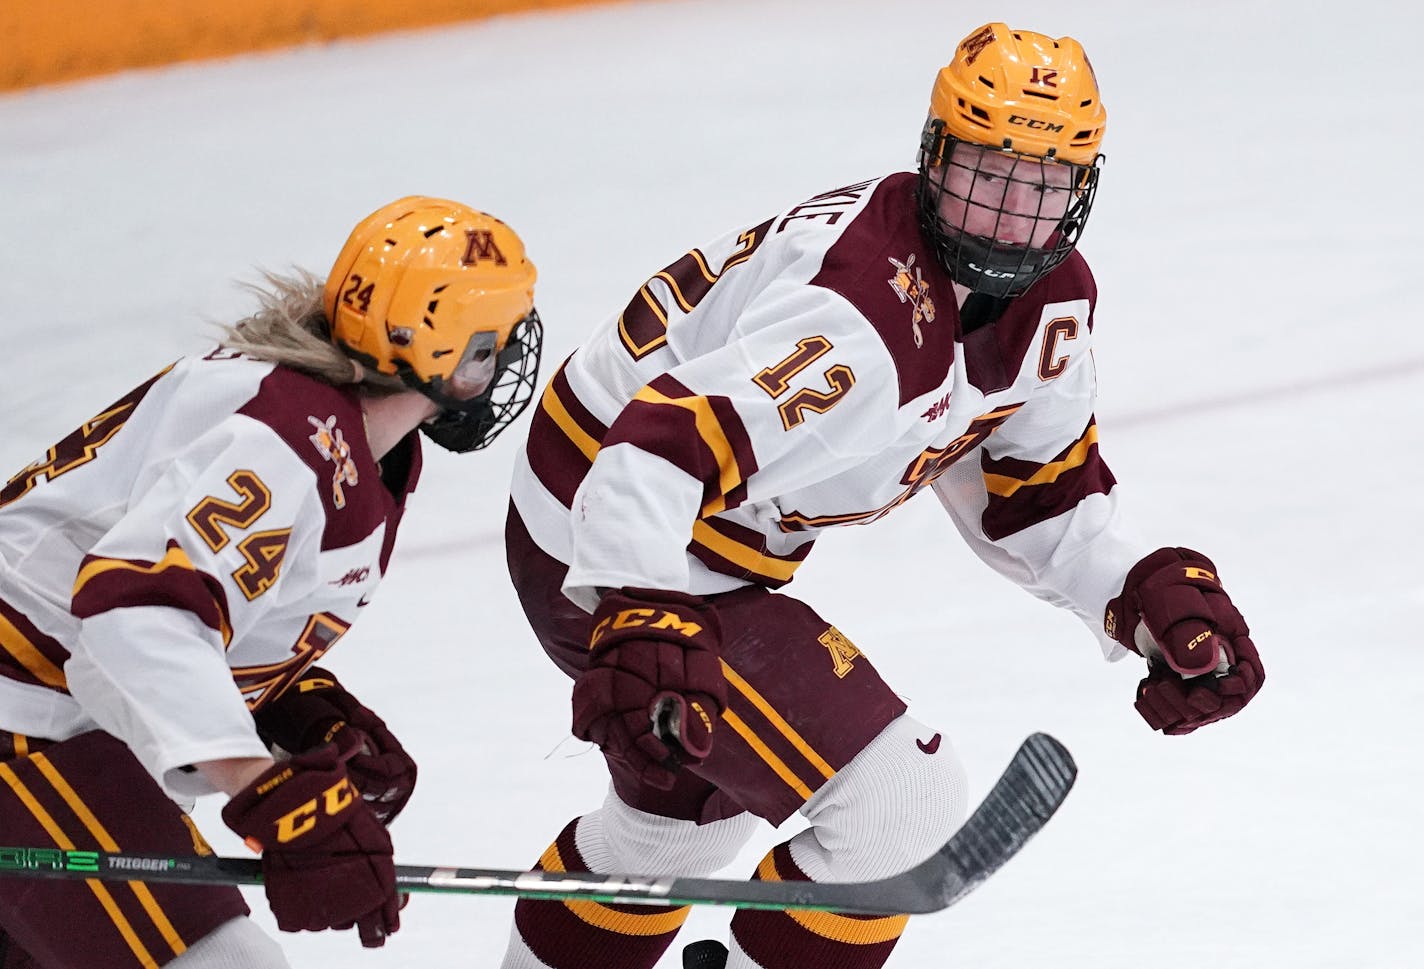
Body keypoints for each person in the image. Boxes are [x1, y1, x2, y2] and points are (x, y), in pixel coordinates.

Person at [500, 22, 1264, 969]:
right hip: (608, 522)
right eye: (986, 173)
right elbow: (652, 448)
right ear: (936, 156)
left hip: (678, 528)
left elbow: (1037, 498)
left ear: (1082, 191)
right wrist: (643, 610)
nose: (1008, 213)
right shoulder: (861, 313)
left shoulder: (1052, 304)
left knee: (677, 834)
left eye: (1044, 185)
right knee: (897, 804)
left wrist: (1140, 598)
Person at [0, 196, 542, 968]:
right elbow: (135, 611)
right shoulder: (287, 441)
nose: (503, 367)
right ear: (458, 360)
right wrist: (266, 790)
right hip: (23, 722)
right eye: (495, 346)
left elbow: (166, 583)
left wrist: (280, 703)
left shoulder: (337, 429)